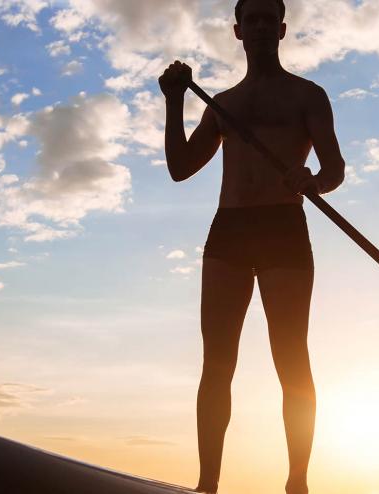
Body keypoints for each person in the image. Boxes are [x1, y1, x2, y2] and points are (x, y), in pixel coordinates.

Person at [157, 0, 346, 492]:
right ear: (238, 31)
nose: (261, 26)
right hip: (230, 232)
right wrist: (174, 100)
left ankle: (297, 482)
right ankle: (207, 486)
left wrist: (313, 181)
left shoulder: (308, 95)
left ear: (281, 29)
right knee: (217, 363)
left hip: (284, 227)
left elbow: (334, 169)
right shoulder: (222, 104)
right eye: (252, 19)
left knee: (291, 358)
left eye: (269, 18)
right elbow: (180, 167)